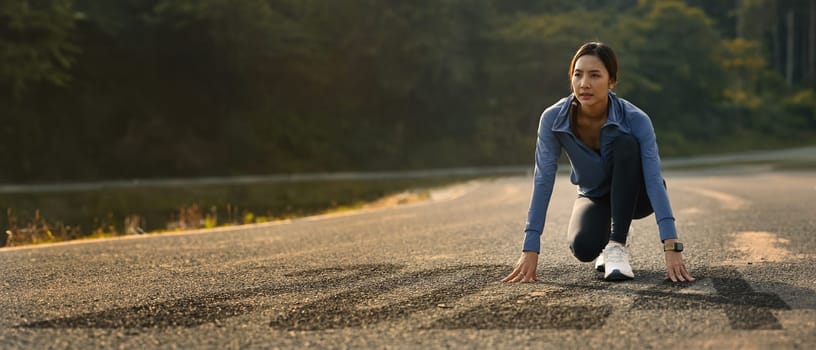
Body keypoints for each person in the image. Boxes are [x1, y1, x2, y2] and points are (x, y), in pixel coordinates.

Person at [502, 42, 695, 283]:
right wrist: (530, 248)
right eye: (578, 74)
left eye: (595, 75)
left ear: (612, 81)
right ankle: (612, 235)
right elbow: (542, 180)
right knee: (584, 248)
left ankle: (617, 242)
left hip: (637, 196)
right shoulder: (552, 119)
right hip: (594, 196)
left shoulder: (636, 119)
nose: (584, 84)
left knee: (625, 143)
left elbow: (654, 180)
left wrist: (671, 245)